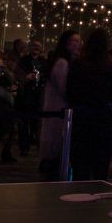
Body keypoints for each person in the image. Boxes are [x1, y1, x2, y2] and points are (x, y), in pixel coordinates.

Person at [67, 28, 112, 181]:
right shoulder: (110, 67)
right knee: (100, 170)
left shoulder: (78, 65)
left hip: (82, 119)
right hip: (103, 120)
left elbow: (70, 92)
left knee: (81, 168)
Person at [39, 31, 82, 177]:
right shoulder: (62, 63)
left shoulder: (65, 61)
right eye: (74, 41)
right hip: (59, 110)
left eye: (78, 41)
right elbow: (65, 88)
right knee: (56, 150)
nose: (78, 44)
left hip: (59, 109)